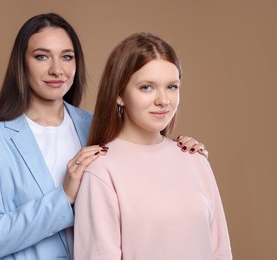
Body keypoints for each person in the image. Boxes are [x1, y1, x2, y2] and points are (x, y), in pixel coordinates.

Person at [0, 13, 208, 260]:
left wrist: (178, 149)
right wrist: (63, 198)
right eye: (41, 56)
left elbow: (144, 149)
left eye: (67, 57)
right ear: (21, 63)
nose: (57, 69)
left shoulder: (94, 126)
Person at [74, 32, 232, 259]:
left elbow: (220, 250)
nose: (163, 100)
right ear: (119, 94)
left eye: (172, 87)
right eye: (147, 87)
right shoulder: (101, 170)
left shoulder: (195, 159)